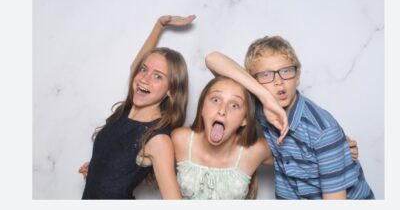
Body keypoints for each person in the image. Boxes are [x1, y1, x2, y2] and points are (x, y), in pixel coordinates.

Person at [205, 37, 374, 199]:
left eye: (286, 71)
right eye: (266, 74)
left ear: (298, 76)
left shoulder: (322, 132)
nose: (279, 81)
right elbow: (212, 59)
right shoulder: (260, 108)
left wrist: (338, 152)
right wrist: (265, 97)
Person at [78, 14, 195, 199]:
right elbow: (135, 67)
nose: (145, 79)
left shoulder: (157, 139)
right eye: (144, 69)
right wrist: (98, 175)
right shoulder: (126, 111)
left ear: (171, 90)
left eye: (158, 76)